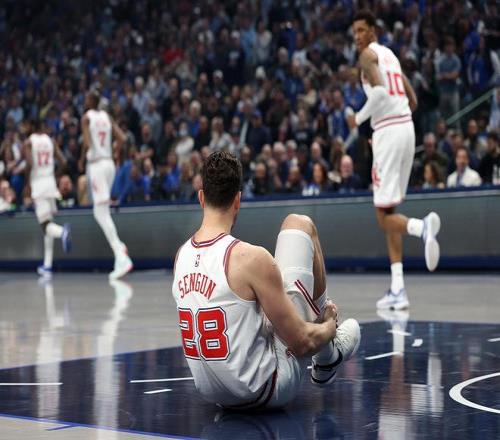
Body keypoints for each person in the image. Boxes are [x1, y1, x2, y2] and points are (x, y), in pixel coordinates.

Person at [172, 151, 360, 409]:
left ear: (201, 197)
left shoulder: (181, 256)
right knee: (299, 224)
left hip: (215, 394)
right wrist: (329, 325)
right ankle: (329, 355)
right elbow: (302, 343)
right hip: (266, 389)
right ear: (238, 200)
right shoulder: (250, 258)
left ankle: (326, 356)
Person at [347, 11, 441, 310]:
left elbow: (377, 94)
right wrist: (392, 120)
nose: (357, 36)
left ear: (373, 30)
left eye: (362, 30)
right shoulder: (390, 55)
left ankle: (422, 227)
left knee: (382, 217)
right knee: (390, 210)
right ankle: (398, 289)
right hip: (405, 128)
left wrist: (358, 119)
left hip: (389, 133)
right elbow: (412, 100)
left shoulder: (366, 56)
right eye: (354, 32)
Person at [79, 90, 133, 280]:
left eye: (86, 98)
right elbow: (123, 139)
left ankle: (120, 254)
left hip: (97, 166)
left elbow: (87, 143)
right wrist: (112, 149)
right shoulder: (106, 117)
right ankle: (119, 250)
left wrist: (82, 158)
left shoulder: (86, 117)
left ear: (90, 101)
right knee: (103, 211)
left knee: (99, 212)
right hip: (110, 164)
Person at [24, 119, 71, 279]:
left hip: (39, 185)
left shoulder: (29, 142)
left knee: (45, 226)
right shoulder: (51, 141)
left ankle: (63, 232)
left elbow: (30, 164)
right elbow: (63, 161)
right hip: (51, 184)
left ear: (31, 127)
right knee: (48, 223)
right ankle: (47, 265)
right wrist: (54, 176)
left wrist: (27, 184)